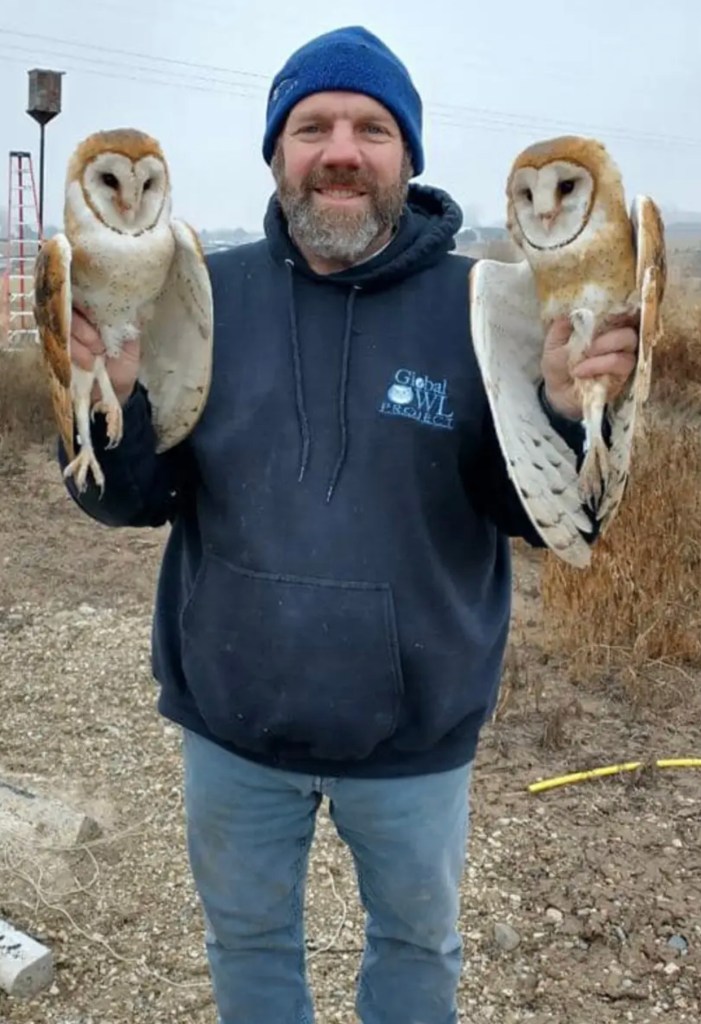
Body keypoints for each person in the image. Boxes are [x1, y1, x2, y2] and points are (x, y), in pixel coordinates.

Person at [60, 25, 637, 1024]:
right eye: (311, 125)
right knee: (246, 945)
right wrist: (109, 407)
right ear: (275, 152)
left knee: (416, 951)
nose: (340, 149)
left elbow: (538, 515)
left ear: (407, 155)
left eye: (371, 128)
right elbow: (129, 497)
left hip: (413, 742)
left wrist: (556, 405)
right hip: (233, 731)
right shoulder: (202, 293)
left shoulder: (481, 301)